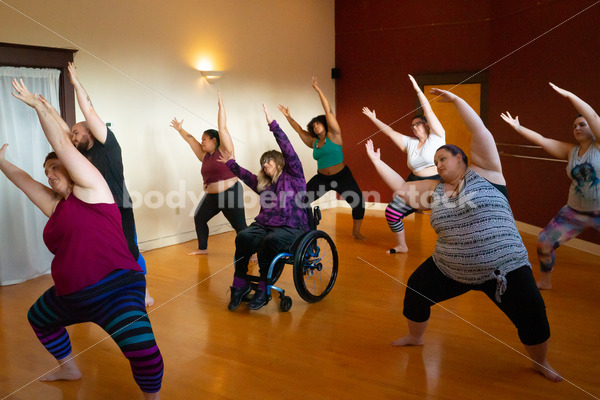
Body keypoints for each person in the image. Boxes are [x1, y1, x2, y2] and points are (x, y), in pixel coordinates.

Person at [365, 88, 561, 382]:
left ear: (462, 158)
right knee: (416, 290)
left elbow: (479, 129)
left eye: (444, 157)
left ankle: (541, 362)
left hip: (505, 268)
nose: (439, 163)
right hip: (449, 268)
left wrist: (457, 101)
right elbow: (401, 190)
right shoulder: (434, 191)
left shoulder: (488, 173)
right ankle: (415, 338)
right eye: (436, 160)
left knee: (533, 315)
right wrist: (375, 160)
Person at [2, 79, 163, 399]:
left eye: (55, 168)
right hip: (71, 297)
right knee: (38, 317)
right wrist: (1, 162)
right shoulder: (55, 205)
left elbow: (63, 145)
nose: (49, 174)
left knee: (144, 353)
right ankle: (69, 367)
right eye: (46, 170)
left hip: (115, 290)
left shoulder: (93, 189)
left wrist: (40, 109)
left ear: (75, 168)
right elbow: (24, 181)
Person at [66, 63, 154, 306]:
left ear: (91, 132)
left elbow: (89, 111)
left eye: (76, 132)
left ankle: (143, 290)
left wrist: (76, 84)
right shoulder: (81, 157)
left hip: (119, 207)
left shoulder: (109, 145)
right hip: (96, 211)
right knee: (96, 253)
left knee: (129, 249)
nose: (73, 137)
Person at [501, 83, 600, 290]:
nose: (578, 128)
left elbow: (592, 115)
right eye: (574, 126)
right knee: (544, 242)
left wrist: (570, 95)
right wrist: (518, 128)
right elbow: (542, 140)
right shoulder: (570, 151)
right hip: (574, 211)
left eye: (582, 124)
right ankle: (545, 281)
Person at [220, 103, 308, 311]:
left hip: (291, 228)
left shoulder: (294, 176)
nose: (265, 164)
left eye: (268, 161)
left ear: (279, 162)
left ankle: (263, 288)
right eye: (263, 162)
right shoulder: (265, 185)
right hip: (265, 225)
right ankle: (240, 285)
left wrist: (273, 124)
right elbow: (248, 177)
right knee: (242, 237)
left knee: (270, 242)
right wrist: (231, 163)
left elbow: (288, 149)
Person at [362, 74, 445, 253]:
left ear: (427, 125)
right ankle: (402, 246)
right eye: (412, 125)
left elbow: (429, 111)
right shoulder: (410, 143)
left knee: (445, 217)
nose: (414, 127)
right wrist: (373, 118)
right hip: (413, 183)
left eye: (418, 124)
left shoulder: (438, 137)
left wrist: (417, 90)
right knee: (392, 213)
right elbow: (390, 132)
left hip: (437, 183)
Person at [279, 77, 366, 240]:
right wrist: (288, 117)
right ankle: (304, 227)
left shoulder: (335, 135)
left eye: (318, 124)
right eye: (313, 126)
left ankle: (356, 232)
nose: (315, 126)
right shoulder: (314, 142)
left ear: (325, 124)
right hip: (322, 179)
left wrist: (318, 90)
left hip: (342, 177)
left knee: (358, 203)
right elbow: (299, 131)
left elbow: (329, 112)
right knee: (301, 200)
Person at [170, 91, 248, 256]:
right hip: (212, 197)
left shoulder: (226, 150)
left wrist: (221, 106)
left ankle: (253, 253)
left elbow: (222, 127)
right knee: (199, 218)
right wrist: (180, 130)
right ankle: (202, 248)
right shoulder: (204, 156)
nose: (202, 141)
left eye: (204, 138)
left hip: (230, 194)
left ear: (214, 140)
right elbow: (191, 140)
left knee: (240, 226)